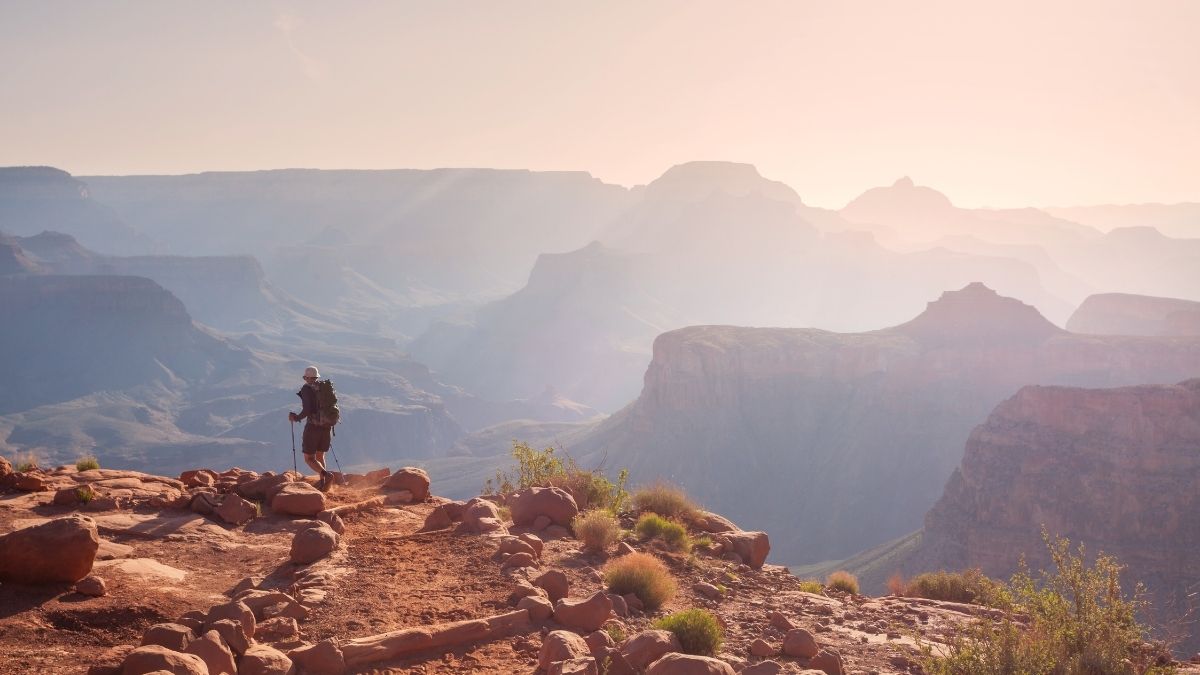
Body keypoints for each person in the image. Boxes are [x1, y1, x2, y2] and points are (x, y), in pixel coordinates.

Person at [289, 365, 334, 491]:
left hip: (313, 427)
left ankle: (326, 475)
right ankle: (323, 483)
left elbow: (308, 410)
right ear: (317, 377)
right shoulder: (324, 388)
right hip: (326, 427)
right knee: (320, 456)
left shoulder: (306, 389)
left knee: (309, 458)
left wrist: (296, 417)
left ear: (306, 378)